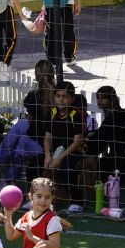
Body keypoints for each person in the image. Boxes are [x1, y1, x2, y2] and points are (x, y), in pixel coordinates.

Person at [0, 59, 56, 186]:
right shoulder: (58, 93)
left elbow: (31, 120)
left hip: (41, 141)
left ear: (36, 76)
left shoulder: (34, 95)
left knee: (20, 145)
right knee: (20, 126)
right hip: (51, 137)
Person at [44, 80, 87, 213]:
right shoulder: (51, 112)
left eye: (65, 96)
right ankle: (38, 198)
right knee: (34, 163)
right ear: (54, 97)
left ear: (72, 99)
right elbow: (47, 136)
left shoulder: (76, 114)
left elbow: (78, 141)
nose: (61, 99)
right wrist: (47, 155)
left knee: (67, 167)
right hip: (55, 150)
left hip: (74, 151)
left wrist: (60, 158)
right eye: (58, 96)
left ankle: (77, 201)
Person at [83, 85, 125, 179]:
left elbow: (101, 139)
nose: (99, 101)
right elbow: (103, 140)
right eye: (98, 98)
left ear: (112, 100)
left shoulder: (115, 116)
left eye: (103, 98)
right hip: (117, 156)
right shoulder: (109, 115)